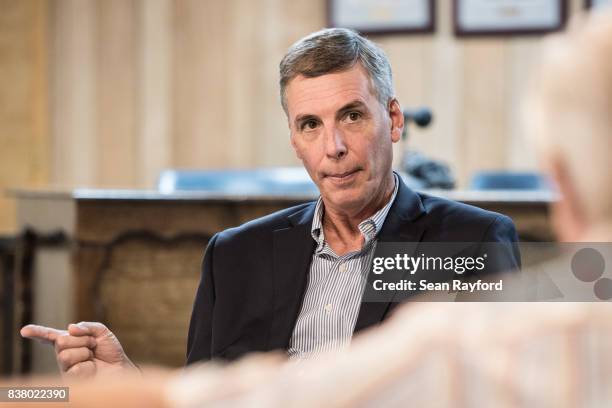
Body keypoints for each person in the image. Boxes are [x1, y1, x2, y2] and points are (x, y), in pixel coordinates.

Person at [20, 28, 520, 378]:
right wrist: (128, 383)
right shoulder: (234, 255)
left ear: (393, 120)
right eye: (311, 124)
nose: (334, 148)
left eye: (351, 116)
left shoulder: (471, 241)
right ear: (293, 137)